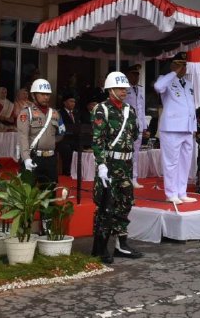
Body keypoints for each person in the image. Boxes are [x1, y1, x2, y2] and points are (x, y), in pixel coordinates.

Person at [91, 71, 143, 263]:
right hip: (110, 165)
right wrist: (101, 164)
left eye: (125, 88)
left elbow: (135, 134)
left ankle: (122, 244)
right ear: (111, 89)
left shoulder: (130, 110)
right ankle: (100, 247)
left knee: (125, 203)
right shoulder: (101, 109)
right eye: (121, 88)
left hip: (126, 165)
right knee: (106, 205)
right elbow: (98, 141)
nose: (124, 91)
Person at [154, 52, 197, 205]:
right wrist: (173, 73)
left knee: (185, 162)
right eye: (180, 64)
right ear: (173, 65)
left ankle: (181, 192)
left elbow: (191, 106)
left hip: (187, 128)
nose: (183, 68)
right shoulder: (164, 80)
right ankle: (171, 193)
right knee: (171, 162)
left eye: (184, 65)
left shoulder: (189, 84)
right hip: (172, 128)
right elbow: (158, 87)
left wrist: (194, 126)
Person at [17, 78, 64, 188]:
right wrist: (26, 158)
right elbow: (23, 137)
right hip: (33, 157)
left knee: (50, 193)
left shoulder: (55, 113)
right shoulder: (26, 113)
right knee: (28, 195)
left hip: (50, 159)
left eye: (48, 94)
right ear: (34, 95)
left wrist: (50, 142)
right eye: (42, 94)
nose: (46, 97)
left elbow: (62, 132)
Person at [125, 64, 148, 189]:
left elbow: (142, 109)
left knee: (135, 153)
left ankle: (134, 178)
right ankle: (126, 177)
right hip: (127, 125)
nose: (136, 77)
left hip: (138, 125)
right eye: (134, 74)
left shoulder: (140, 89)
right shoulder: (124, 89)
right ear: (128, 75)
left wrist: (144, 127)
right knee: (127, 152)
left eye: (137, 75)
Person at [58, 93, 80, 176]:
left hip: (75, 138)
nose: (73, 104)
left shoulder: (76, 113)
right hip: (63, 139)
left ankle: (77, 170)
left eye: (74, 102)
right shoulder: (60, 113)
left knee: (81, 147)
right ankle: (66, 170)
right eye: (71, 101)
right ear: (65, 102)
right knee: (67, 148)